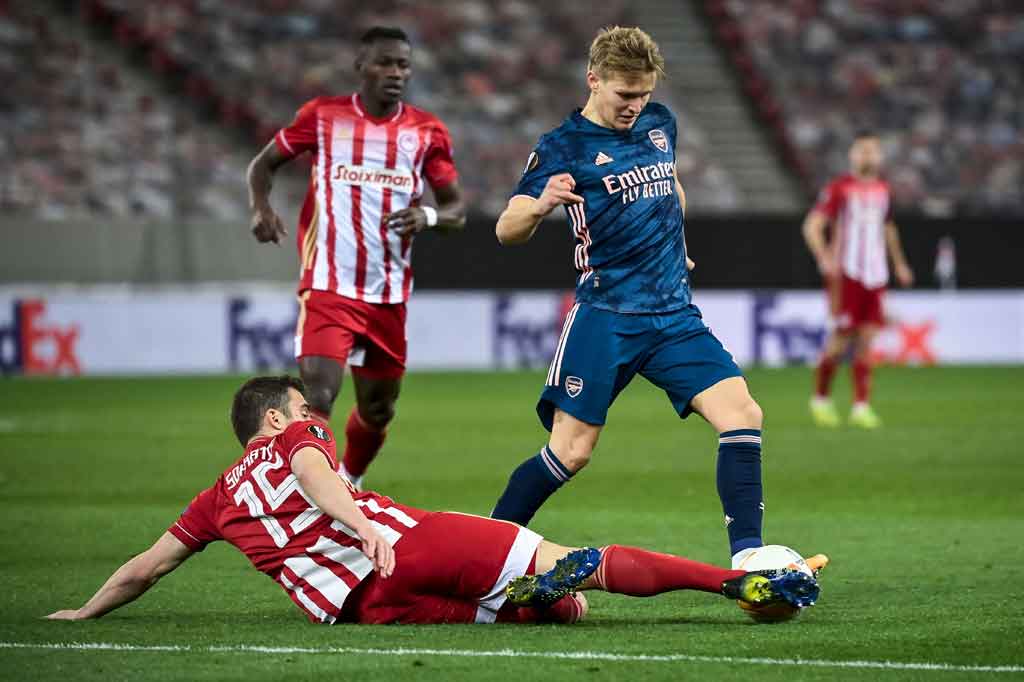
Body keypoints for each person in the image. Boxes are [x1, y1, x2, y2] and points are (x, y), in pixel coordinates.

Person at [45, 376, 818, 625]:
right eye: (299, 404)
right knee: (576, 570)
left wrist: (82, 613)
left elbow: (147, 567)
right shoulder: (296, 436)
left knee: (555, 612)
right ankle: (734, 584)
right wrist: (360, 524)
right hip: (400, 541)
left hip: (361, 608)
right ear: (274, 419)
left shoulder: (215, 499)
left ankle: (532, 592)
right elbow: (318, 474)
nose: (311, 410)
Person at [488, 26, 802, 570]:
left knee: (742, 413)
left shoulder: (661, 124)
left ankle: (749, 555)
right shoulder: (563, 146)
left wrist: (675, 243)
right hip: (606, 314)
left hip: (674, 314)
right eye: (624, 95)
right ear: (594, 80)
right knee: (571, 450)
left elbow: (669, 183)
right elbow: (506, 229)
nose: (636, 105)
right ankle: (482, 551)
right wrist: (539, 206)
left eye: (644, 94)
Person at [245, 26, 466, 488]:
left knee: (378, 408)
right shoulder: (323, 117)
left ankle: (350, 479)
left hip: (387, 293)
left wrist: (426, 216)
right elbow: (262, 165)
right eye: (385, 62)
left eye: (403, 65)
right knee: (318, 394)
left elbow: (455, 210)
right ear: (360, 66)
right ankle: (316, 499)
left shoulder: (425, 132)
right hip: (329, 283)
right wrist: (261, 208)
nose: (396, 72)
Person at [802, 130, 914, 429]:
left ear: (880, 156)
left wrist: (900, 264)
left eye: (872, 151)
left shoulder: (883, 190)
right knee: (839, 341)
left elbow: (888, 228)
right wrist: (824, 256)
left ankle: (861, 406)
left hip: (875, 276)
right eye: (862, 150)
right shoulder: (840, 188)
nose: (867, 156)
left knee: (867, 341)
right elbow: (812, 225)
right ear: (852, 155)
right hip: (847, 275)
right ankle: (821, 398)